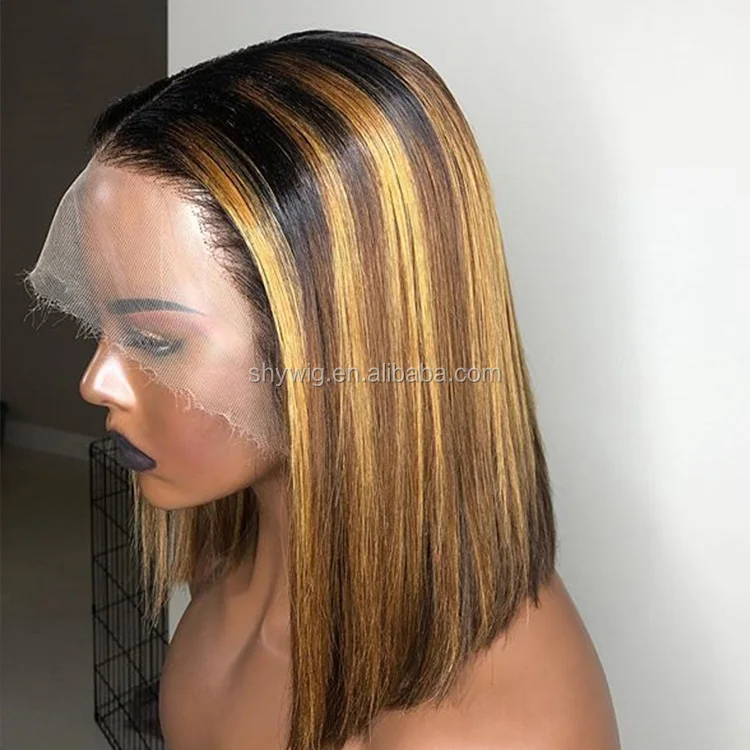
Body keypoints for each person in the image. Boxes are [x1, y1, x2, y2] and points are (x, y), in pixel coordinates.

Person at [25, 29, 620, 750]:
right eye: (102, 322)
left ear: (338, 339)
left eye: (155, 340)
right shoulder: (238, 560)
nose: (96, 381)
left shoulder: (483, 727)